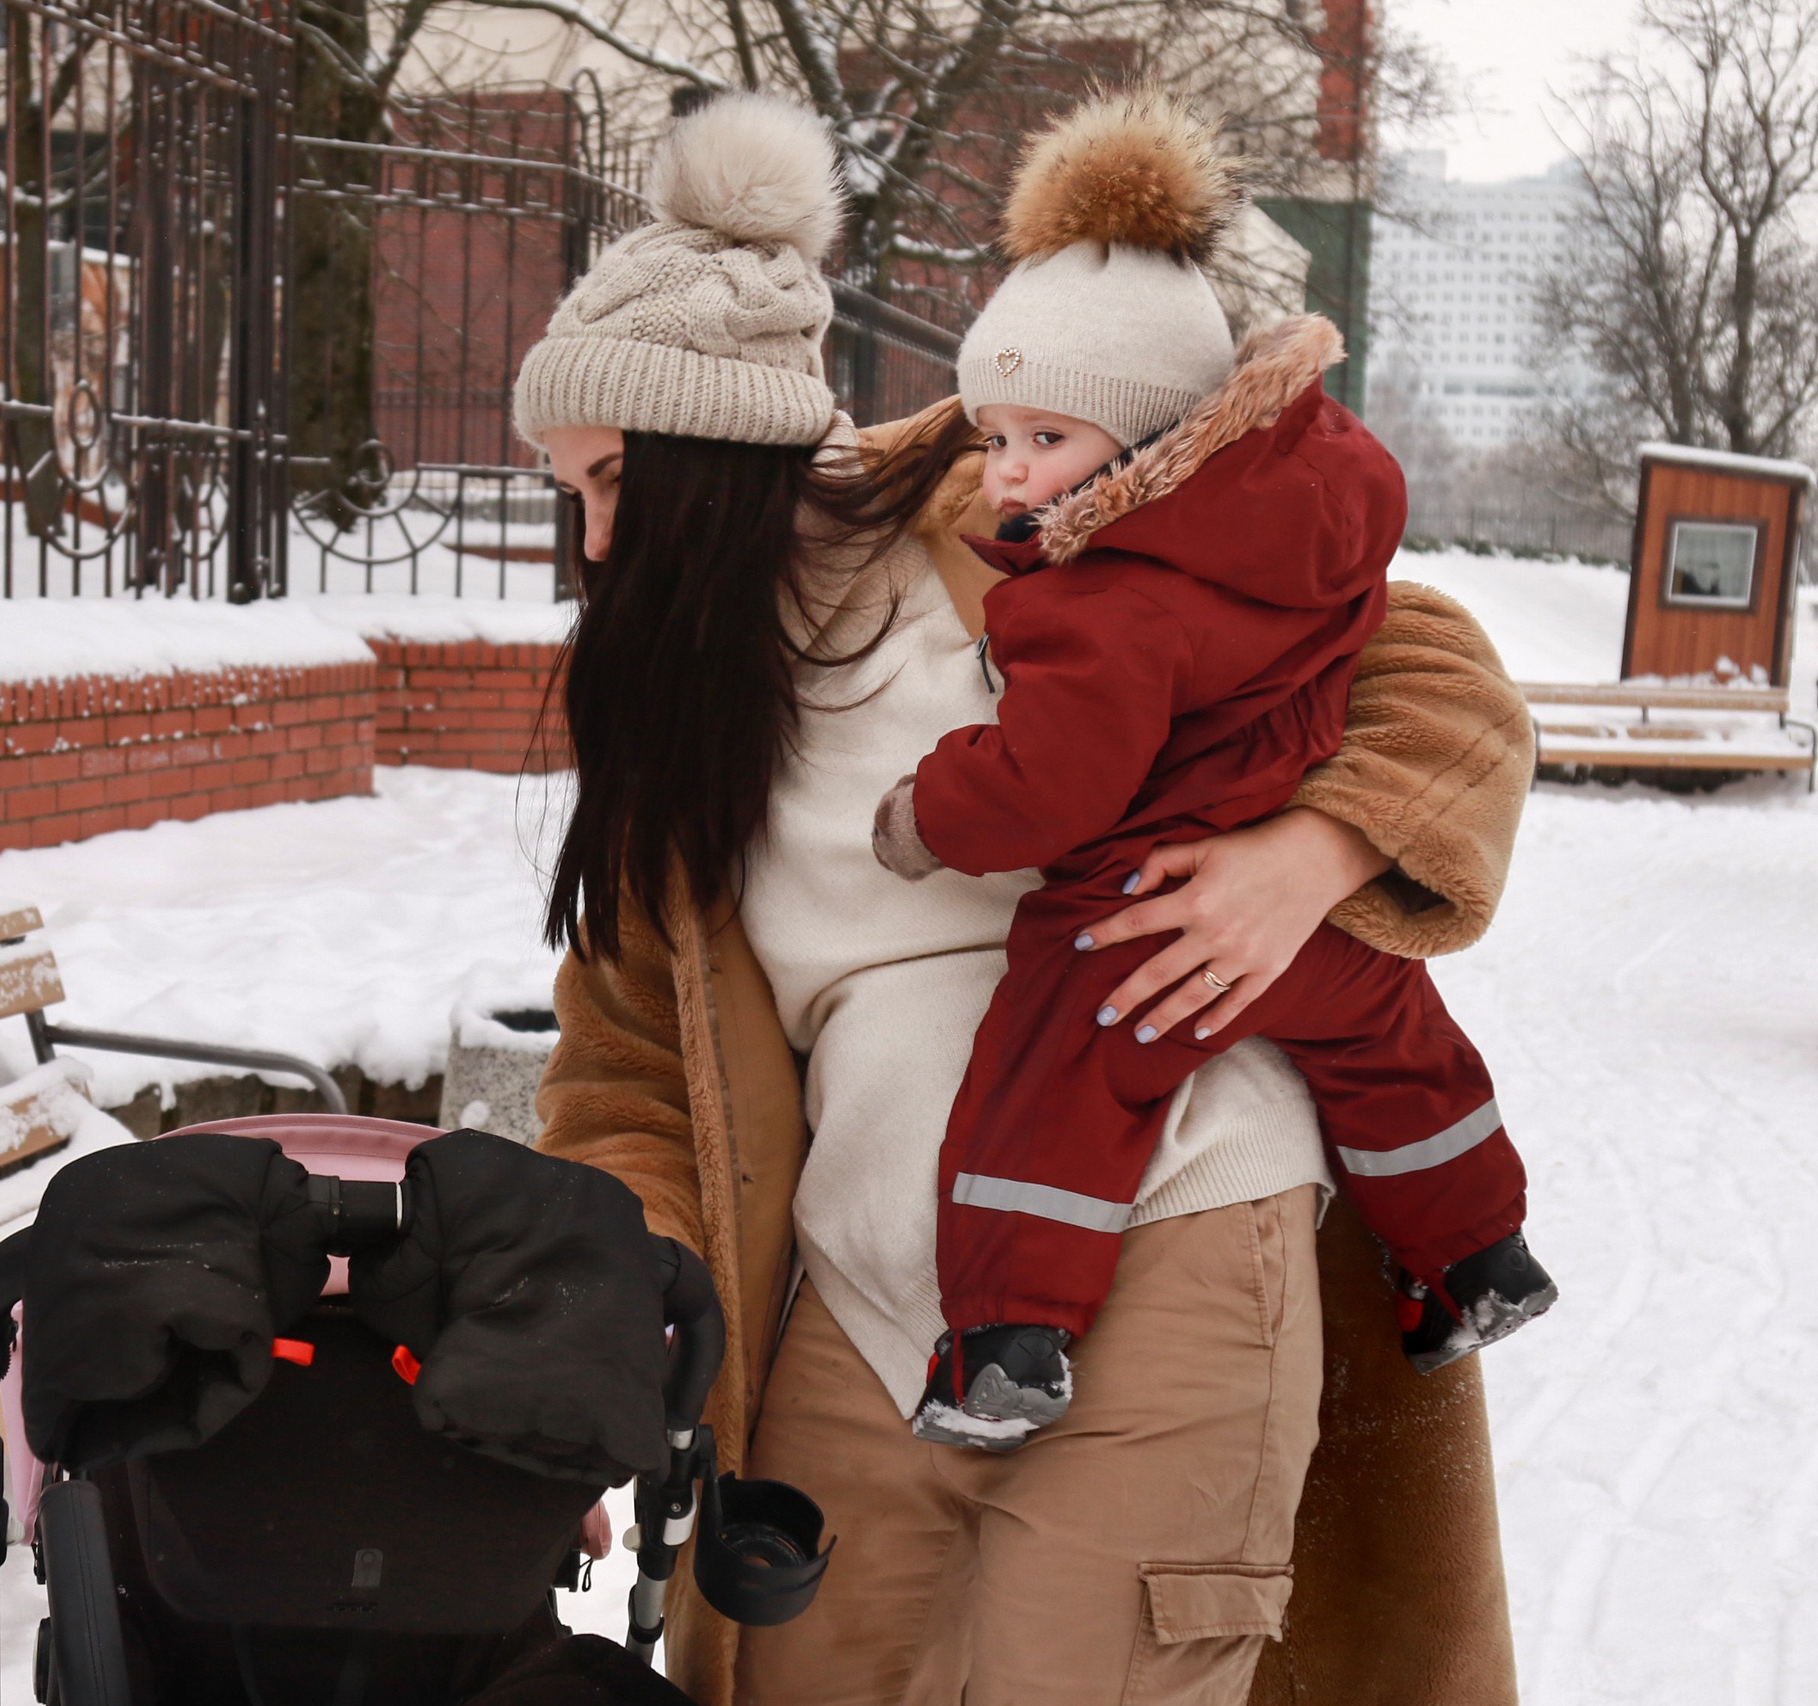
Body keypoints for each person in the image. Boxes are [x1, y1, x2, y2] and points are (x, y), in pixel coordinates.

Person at [516, 88, 1532, 1706]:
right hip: (861, 1304)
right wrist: (602, 1340)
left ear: (711, 447)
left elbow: (1433, 669)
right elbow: (631, 1072)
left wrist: (1316, 853)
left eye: (613, 480)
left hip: (1182, 1227)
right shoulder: (677, 714)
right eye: (569, 495)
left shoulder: (1012, 506)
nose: (591, 544)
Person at [858, 91, 1554, 1456]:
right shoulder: (1298, 519)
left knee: (1050, 1074)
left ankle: (1009, 1336)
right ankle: (1478, 1254)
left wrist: (929, 809)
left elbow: (1051, 784)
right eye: (992, 435)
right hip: (1308, 905)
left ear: (1146, 438)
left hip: (1146, 897)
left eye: (1042, 442)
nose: (1005, 475)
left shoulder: (1107, 594)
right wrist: (1321, 854)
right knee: (1394, 1041)